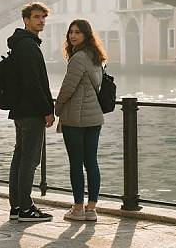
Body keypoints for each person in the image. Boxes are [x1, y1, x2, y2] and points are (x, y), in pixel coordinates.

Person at [55, 19, 107, 222]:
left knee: (76, 163)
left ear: (86, 35)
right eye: (71, 32)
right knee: (91, 162)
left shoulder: (78, 58)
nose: (73, 36)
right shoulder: (96, 57)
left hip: (75, 120)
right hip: (94, 118)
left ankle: (78, 209)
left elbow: (68, 87)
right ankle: (91, 208)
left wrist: (57, 109)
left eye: (78, 32)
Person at [8, 2, 55, 222]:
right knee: (29, 159)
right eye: (36, 17)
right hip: (31, 111)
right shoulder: (28, 46)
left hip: (21, 110)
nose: (41, 21)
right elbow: (33, 83)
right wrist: (47, 110)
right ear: (26, 20)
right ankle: (25, 208)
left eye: (43, 17)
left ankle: (16, 206)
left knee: (20, 157)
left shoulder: (22, 44)